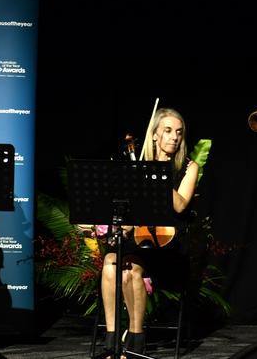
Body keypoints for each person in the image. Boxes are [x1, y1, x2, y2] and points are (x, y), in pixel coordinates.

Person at [100, 108, 199, 356]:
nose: (174, 137)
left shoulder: (188, 167)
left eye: (178, 132)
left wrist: (158, 173)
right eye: (167, 131)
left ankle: (136, 341)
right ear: (154, 135)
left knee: (131, 269)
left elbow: (179, 204)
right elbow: (129, 212)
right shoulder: (136, 166)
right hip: (139, 239)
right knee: (111, 262)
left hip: (170, 246)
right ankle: (112, 341)